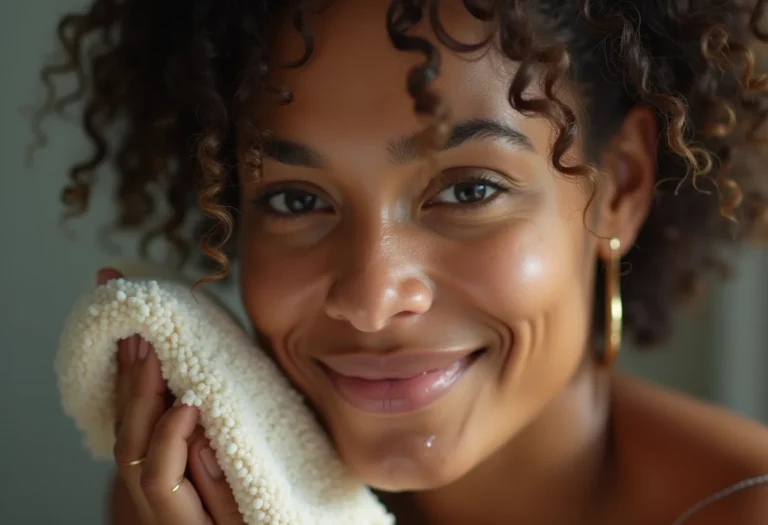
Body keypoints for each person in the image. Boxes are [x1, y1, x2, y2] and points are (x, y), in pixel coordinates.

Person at [37, 1, 768, 524]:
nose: (372, 297)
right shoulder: (194, 495)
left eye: (469, 189)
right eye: (295, 199)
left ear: (622, 187)